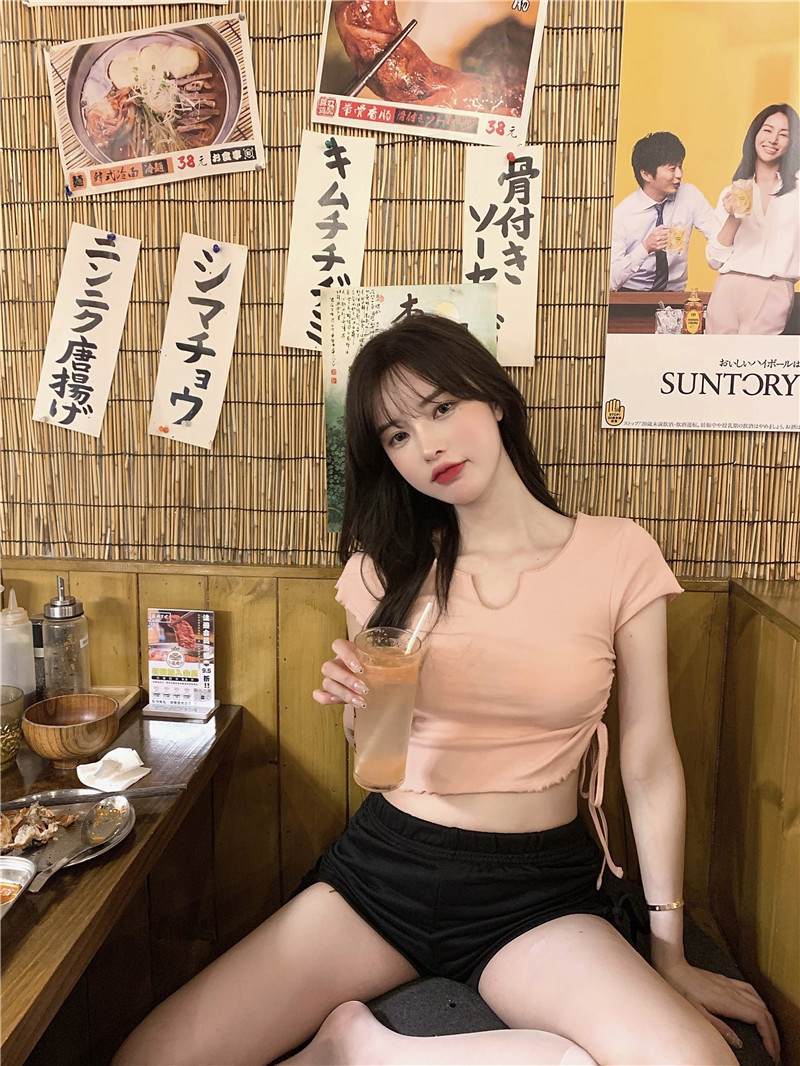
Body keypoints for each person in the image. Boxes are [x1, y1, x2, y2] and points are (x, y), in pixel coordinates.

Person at [114, 315, 780, 1066]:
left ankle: (366, 1051)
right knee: (150, 1060)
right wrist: (356, 706)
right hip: (384, 874)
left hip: (536, 895)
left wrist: (670, 952)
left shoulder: (617, 552)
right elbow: (377, 757)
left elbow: (650, 760)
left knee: (696, 1061)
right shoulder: (383, 570)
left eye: (440, 408)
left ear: (494, 399)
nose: (427, 445)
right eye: (397, 434)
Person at [706, 104, 800, 335]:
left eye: (783, 134)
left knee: (755, 355)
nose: (773, 140)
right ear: (755, 134)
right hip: (728, 286)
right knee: (716, 356)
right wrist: (733, 217)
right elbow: (714, 260)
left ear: (792, 142)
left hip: (774, 287)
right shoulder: (733, 191)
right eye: (767, 130)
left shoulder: (797, 191)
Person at [610, 131, 717, 291]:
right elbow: (611, 280)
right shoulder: (622, 215)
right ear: (646, 174)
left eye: (680, 166)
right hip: (632, 295)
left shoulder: (689, 196)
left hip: (674, 296)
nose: (679, 174)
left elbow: (716, 232)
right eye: (672, 169)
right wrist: (645, 247)